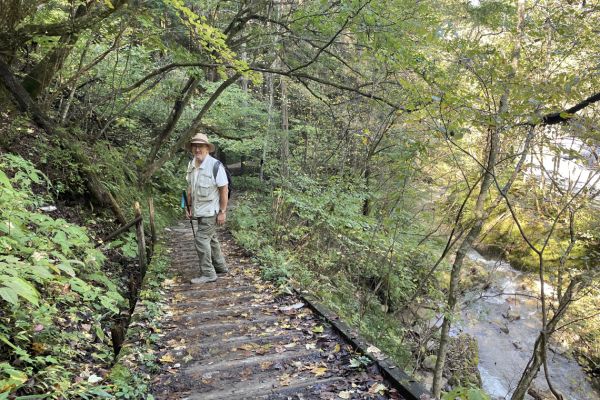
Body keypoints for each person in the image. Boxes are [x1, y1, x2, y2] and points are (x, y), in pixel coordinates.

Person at [185, 132, 228, 284]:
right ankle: (220, 266)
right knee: (211, 238)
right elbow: (189, 188)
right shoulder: (192, 165)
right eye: (195, 146)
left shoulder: (215, 166)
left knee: (201, 239)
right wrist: (187, 207)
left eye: (201, 146)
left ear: (207, 148)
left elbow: (224, 189)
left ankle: (209, 273)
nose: (197, 149)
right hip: (198, 210)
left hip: (211, 211)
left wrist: (222, 212)